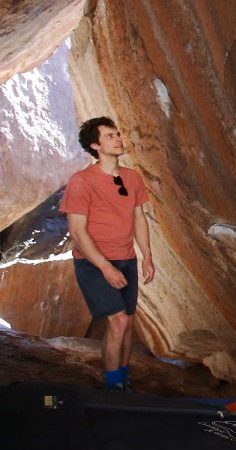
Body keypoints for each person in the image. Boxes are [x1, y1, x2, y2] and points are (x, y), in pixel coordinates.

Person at [59, 117, 155, 391]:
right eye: (110, 136)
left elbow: (139, 219)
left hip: (127, 259)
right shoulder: (81, 182)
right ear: (95, 145)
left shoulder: (132, 178)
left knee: (127, 326)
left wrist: (146, 256)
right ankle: (113, 387)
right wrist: (105, 267)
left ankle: (123, 381)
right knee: (118, 321)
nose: (118, 139)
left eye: (117, 134)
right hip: (93, 263)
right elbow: (77, 232)